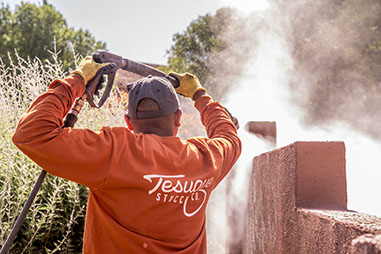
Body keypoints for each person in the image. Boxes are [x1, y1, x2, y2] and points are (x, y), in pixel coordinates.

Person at [12, 56, 242, 253]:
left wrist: (78, 79)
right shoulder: (206, 158)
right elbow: (229, 135)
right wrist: (199, 95)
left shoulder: (114, 151)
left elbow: (31, 133)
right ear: (178, 119)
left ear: (129, 123)